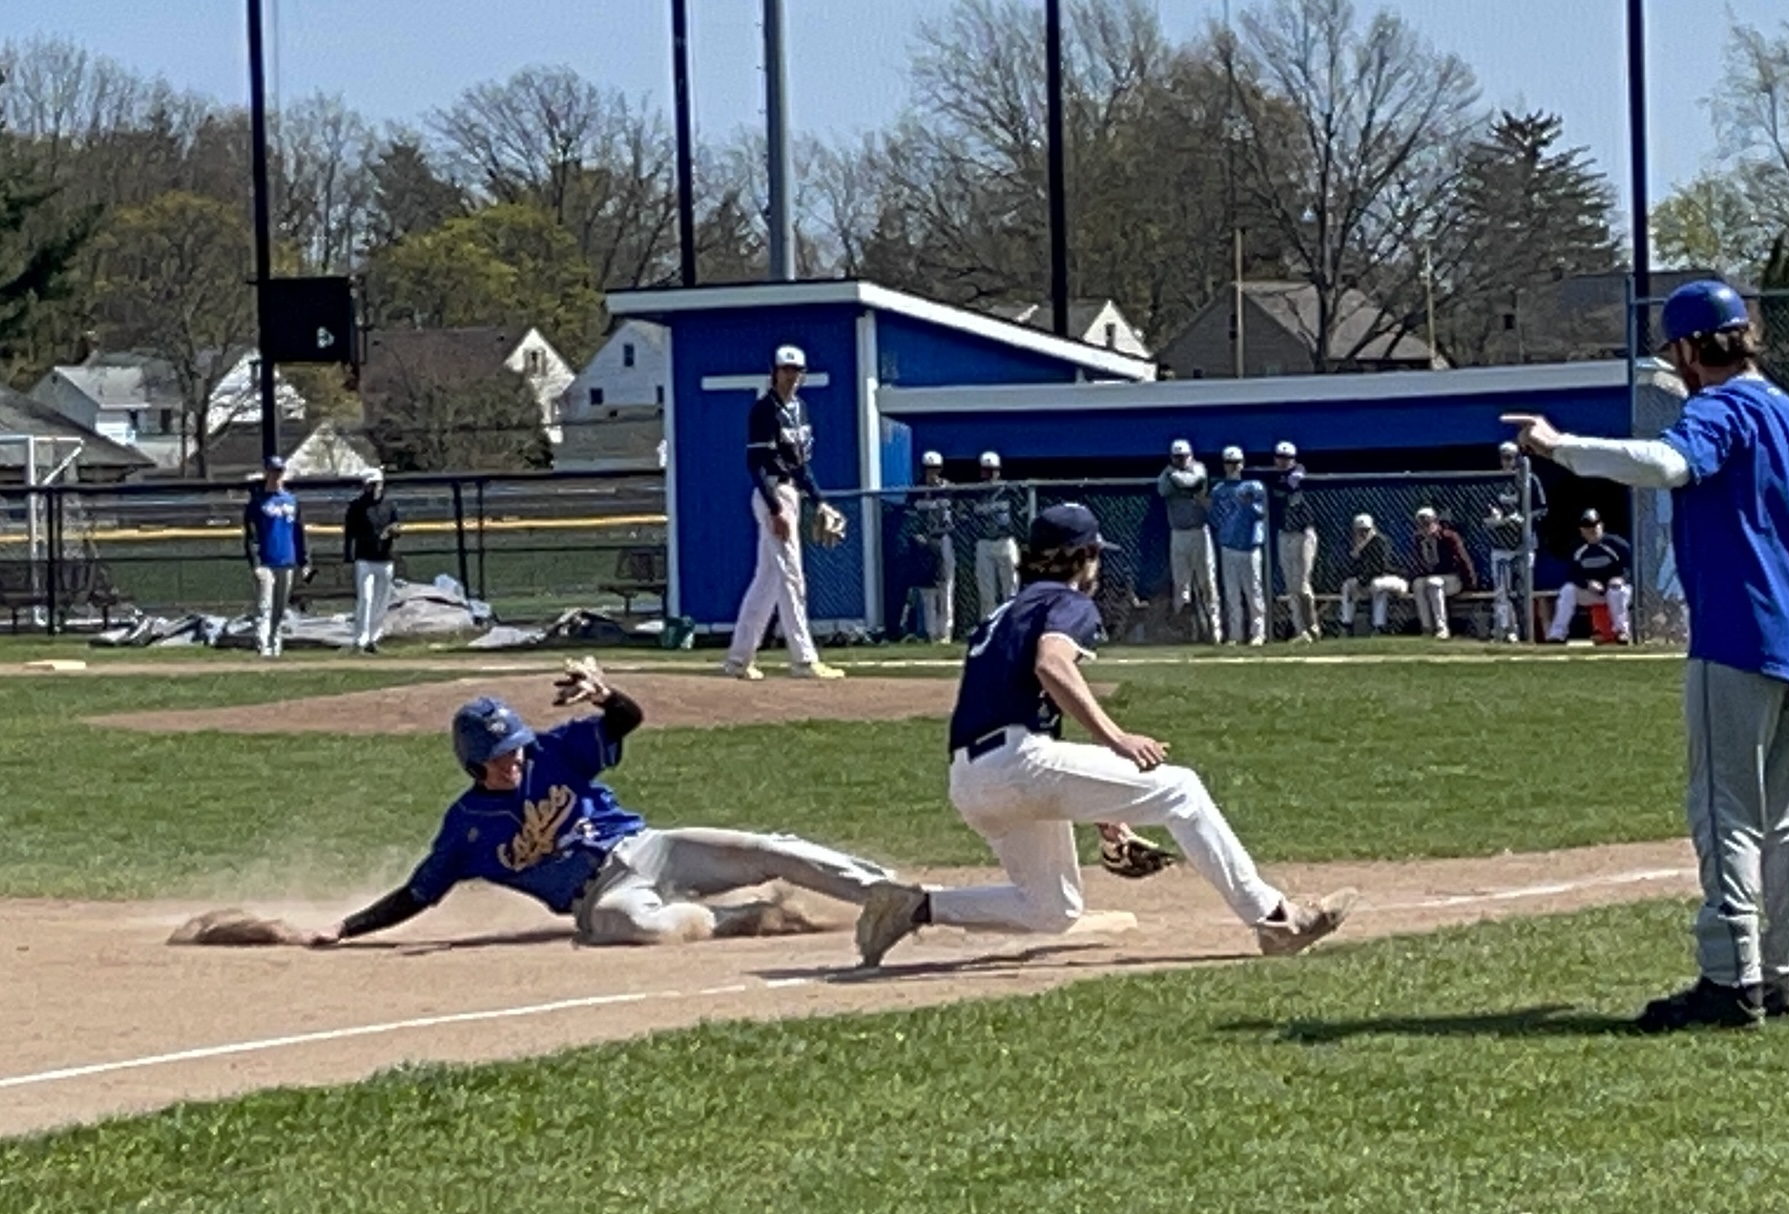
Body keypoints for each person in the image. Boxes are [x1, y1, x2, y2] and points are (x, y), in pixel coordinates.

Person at [1504, 277, 1789, 1031]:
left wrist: (1559, 447)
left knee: (1725, 812)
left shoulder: (1721, 407)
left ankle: (1730, 977)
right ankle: (1784, 974)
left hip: (1736, 633)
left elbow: (1666, 465)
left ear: (1690, 348)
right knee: (1787, 820)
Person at [849, 503, 1356, 966]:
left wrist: (1105, 813)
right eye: (1095, 555)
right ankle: (1277, 920)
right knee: (1182, 791)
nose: (1098, 566)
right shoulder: (1066, 602)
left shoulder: (1002, 615)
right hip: (1018, 763)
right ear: (1084, 556)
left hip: (971, 778)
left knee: (1052, 908)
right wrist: (1118, 739)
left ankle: (915, 908)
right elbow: (1052, 665)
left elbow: (1031, 719)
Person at [308, 660, 902, 948]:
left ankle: (888, 894)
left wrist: (606, 694)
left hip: (649, 847)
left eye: (513, 747)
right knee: (630, 926)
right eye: (499, 755)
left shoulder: (552, 750)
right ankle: (745, 917)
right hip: (599, 896)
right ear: (473, 764)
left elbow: (627, 720)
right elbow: (417, 894)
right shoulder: (466, 828)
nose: (513, 759)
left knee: (769, 849)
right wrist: (347, 926)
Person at [724, 343, 844, 681]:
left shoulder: (800, 409)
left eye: (796, 371)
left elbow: (801, 466)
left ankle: (738, 658)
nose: (791, 376)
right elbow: (756, 464)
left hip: (791, 491)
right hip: (773, 493)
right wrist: (776, 508)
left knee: (767, 581)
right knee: (792, 576)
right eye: (785, 370)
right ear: (773, 373)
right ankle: (803, 659)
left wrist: (819, 500)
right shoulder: (765, 410)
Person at [242, 455, 305, 659]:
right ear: (266, 473)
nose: (276, 475)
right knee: (264, 605)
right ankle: (263, 645)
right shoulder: (257, 503)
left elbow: (299, 533)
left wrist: (304, 560)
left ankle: (275, 643)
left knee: (280, 606)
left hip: (287, 559)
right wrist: (255, 562)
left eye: (280, 472)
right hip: (265, 561)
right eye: (273, 471)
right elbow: (251, 535)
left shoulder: (291, 501)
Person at [1158, 439, 1219, 641]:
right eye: (1177, 457)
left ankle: (1214, 629)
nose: (1180, 460)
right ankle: (1186, 631)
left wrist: (1178, 480)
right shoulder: (1166, 474)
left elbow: (1194, 483)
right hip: (1178, 532)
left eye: (1183, 456)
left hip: (1199, 531)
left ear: (1190, 455)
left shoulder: (1198, 468)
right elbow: (1163, 490)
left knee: (1206, 581)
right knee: (1181, 583)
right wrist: (1179, 482)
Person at [1546, 508, 1634, 645]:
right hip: (1592, 591)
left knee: (1617, 590)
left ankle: (1622, 632)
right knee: (1567, 590)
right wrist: (1586, 584)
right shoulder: (1576, 548)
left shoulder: (1617, 544)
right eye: (1587, 527)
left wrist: (1621, 577)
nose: (1591, 530)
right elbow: (1572, 574)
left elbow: (1631, 566)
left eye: (1594, 526)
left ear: (1601, 526)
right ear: (1581, 529)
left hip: (1616, 590)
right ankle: (1558, 634)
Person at [1210, 445, 1269, 645]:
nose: (1233, 467)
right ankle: (1235, 634)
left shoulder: (1254, 486)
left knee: (1254, 590)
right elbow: (1215, 517)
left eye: (1236, 463)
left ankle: (1258, 633)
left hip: (1250, 545)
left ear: (1242, 463)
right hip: (1228, 545)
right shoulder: (1219, 490)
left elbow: (1262, 514)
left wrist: (1249, 504)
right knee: (1232, 592)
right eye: (1229, 463)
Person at [1487, 441, 1545, 643]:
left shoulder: (1530, 479)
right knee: (1502, 590)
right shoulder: (1494, 481)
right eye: (1504, 457)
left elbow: (1542, 510)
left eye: (1511, 457)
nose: (1508, 461)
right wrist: (1495, 519)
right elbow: (1483, 512)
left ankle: (1528, 632)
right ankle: (1507, 630)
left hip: (1524, 543)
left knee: (1523, 590)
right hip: (1500, 545)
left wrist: (1523, 518)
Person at [342, 467, 400, 655]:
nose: (375, 487)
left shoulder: (390, 505)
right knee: (366, 599)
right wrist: (348, 556)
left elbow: (397, 525)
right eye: (371, 484)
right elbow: (349, 533)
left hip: (385, 559)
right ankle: (360, 639)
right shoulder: (357, 506)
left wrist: (393, 531)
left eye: (378, 484)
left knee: (381, 601)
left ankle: (373, 638)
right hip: (365, 559)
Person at [1268, 441, 1317, 641]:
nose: (1283, 461)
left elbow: (1290, 485)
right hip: (1284, 533)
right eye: (1280, 457)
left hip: (1303, 532)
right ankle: (1301, 630)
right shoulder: (1272, 476)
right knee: (1291, 585)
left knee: (1303, 583)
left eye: (1287, 458)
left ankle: (1313, 625)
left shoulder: (1299, 471)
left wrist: (1273, 479)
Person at [1407, 506, 1477, 640]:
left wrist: (1470, 583)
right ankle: (1427, 627)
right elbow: (1417, 564)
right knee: (1418, 584)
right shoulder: (1419, 540)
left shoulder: (1448, 537)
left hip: (1453, 579)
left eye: (1427, 522)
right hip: (1431, 579)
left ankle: (1441, 627)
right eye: (1421, 523)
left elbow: (1463, 560)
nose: (1425, 527)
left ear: (1435, 521)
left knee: (1433, 582)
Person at [911, 450, 958, 643]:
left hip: (944, 538)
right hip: (924, 540)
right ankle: (931, 632)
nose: (932, 472)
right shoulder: (916, 490)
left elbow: (957, 512)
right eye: (928, 469)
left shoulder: (947, 488)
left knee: (946, 584)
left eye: (935, 468)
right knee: (927, 587)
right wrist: (916, 535)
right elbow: (911, 516)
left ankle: (945, 632)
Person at [1339, 513, 1408, 635]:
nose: (1363, 534)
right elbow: (1349, 569)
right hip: (1372, 582)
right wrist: (1359, 579)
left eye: (1366, 530)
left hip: (1395, 580)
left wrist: (1361, 582)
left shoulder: (1380, 542)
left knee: (1376, 585)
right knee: (1348, 585)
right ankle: (1346, 624)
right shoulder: (1356, 545)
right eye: (1360, 531)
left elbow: (1379, 569)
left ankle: (1379, 626)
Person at [971, 450, 1021, 620]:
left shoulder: (1010, 491)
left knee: (1010, 587)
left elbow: (1020, 514)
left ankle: (1011, 624)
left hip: (1005, 541)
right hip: (984, 542)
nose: (989, 474)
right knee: (986, 590)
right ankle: (988, 626)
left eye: (993, 470)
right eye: (986, 470)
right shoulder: (976, 493)